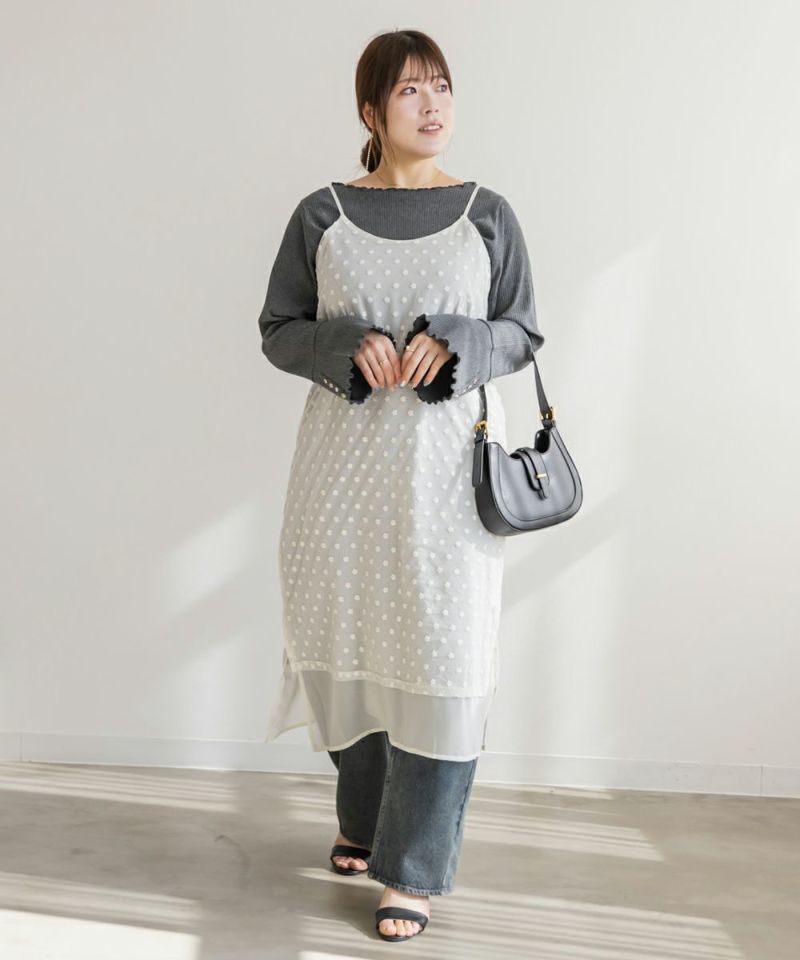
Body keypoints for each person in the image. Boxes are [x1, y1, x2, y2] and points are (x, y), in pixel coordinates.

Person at [256, 29, 544, 943]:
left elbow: (522, 332)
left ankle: (410, 869)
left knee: (442, 660)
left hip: (449, 481)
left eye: (442, 87)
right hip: (339, 478)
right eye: (412, 89)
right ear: (371, 111)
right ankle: (363, 820)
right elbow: (278, 328)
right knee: (348, 646)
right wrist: (345, 345)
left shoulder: (488, 214)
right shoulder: (322, 215)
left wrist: (462, 338)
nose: (433, 104)